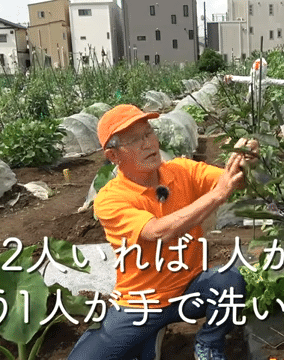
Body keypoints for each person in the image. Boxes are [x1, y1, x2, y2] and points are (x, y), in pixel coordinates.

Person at [68, 104, 258, 360]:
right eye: (135, 140)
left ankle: (209, 343)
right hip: (138, 303)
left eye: (148, 133)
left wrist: (243, 164)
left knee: (229, 281)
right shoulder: (110, 199)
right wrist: (217, 195)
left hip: (188, 290)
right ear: (113, 156)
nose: (148, 143)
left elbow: (232, 180)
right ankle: (146, 339)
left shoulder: (182, 171)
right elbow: (157, 232)